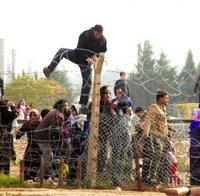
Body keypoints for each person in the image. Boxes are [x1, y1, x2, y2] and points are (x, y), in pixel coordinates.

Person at [43, 24, 107, 112]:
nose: (99, 36)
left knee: (88, 82)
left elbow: (103, 51)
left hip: (86, 64)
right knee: (62, 51)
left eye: (100, 34)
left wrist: (96, 56)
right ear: (94, 31)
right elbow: (79, 48)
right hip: (78, 56)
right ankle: (49, 69)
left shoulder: (103, 40)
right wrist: (87, 57)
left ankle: (83, 105)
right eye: (97, 34)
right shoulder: (84, 35)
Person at [140, 91, 176, 186]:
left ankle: (157, 177)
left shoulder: (162, 108)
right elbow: (148, 120)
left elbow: (161, 121)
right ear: (160, 99)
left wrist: (170, 127)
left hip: (162, 136)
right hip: (155, 136)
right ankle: (150, 177)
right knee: (155, 156)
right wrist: (146, 133)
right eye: (166, 98)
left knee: (161, 157)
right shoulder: (154, 107)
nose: (168, 100)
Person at [34, 99, 70, 180]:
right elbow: (57, 131)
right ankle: (39, 177)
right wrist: (63, 142)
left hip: (42, 136)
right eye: (65, 106)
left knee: (49, 157)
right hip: (43, 137)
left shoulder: (54, 111)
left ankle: (51, 176)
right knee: (49, 156)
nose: (67, 108)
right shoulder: (58, 115)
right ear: (60, 106)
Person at [16, 109, 42, 180]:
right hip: (30, 146)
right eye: (31, 115)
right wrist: (18, 132)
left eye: (34, 115)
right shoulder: (28, 124)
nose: (33, 117)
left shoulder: (41, 124)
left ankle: (36, 178)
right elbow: (19, 135)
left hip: (39, 146)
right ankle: (26, 178)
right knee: (27, 161)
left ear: (38, 116)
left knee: (37, 162)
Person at [189, 109, 200, 185]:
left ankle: (194, 182)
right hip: (196, 146)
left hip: (193, 147)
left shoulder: (193, 123)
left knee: (194, 164)